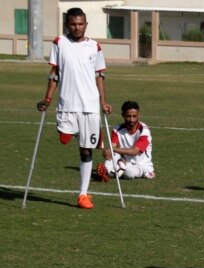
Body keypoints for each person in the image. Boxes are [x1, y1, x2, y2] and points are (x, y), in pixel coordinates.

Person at [36, 7, 112, 209]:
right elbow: (55, 73)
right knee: (64, 137)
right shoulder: (59, 43)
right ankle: (69, 130)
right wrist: (47, 99)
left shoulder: (94, 47)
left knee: (86, 151)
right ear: (67, 24)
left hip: (89, 105)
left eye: (80, 24)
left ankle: (83, 194)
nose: (77, 28)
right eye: (73, 24)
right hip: (67, 104)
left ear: (86, 24)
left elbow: (99, 76)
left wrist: (103, 102)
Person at [96, 100, 155, 181]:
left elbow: (134, 151)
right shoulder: (117, 129)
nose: (131, 120)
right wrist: (108, 152)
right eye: (128, 116)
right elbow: (112, 146)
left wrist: (113, 149)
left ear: (138, 114)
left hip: (141, 165)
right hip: (125, 161)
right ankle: (106, 172)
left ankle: (115, 170)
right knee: (112, 154)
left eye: (134, 116)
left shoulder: (144, 131)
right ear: (123, 115)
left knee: (129, 173)